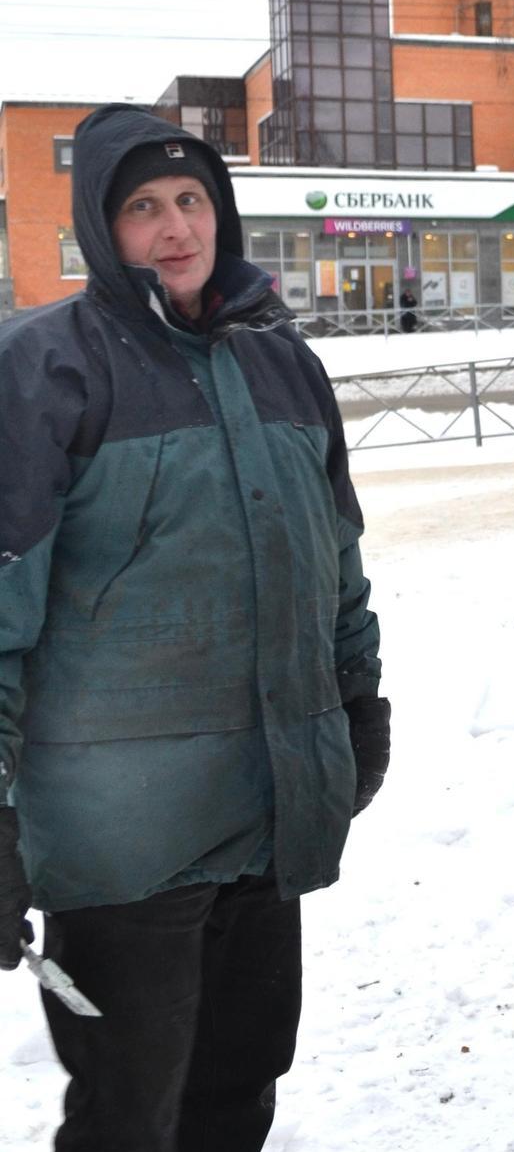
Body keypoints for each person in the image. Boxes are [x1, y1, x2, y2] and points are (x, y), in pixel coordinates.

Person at [0, 103, 390, 1152]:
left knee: (239, 1087)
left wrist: (358, 695)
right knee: (131, 1112)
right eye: (142, 207)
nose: (175, 227)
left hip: (266, 810)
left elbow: (334, 560)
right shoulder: (47, 370)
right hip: (119, 841)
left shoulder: (285, 366)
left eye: (191, 200)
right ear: (100, 225)